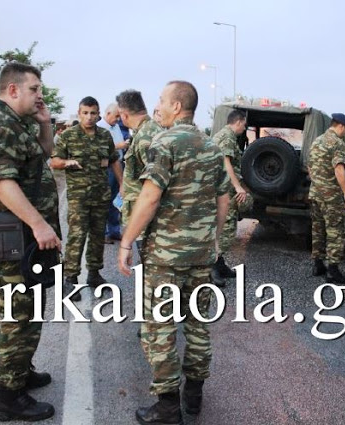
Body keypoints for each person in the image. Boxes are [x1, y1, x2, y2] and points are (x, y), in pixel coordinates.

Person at [117, 81, 230, 423]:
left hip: (166, 258)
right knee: (197, 325)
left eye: (163, 100)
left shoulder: (164, 142)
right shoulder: (211, 147)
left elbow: (150, 197)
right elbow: (223, 198)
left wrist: (126, 242)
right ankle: (193, 397)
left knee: (161, 329)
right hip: (200, 256)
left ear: (178, 106)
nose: (159, 106)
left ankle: (168, 409)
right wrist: (214, 237)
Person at [0, 62, 61, 421]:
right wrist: (40, 225)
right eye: (34, 89)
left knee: (31, 309)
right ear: (13, 90)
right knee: (17, 315)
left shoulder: (17, 123)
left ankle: (20, 372)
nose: (40, 95)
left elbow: (45, 155)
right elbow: (1, 183)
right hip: (16, 235)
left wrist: (43, 124)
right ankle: (8, 397)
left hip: (25, 236)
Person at [50, 96, 123, 300]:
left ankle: (94, 274)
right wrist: (67, 163)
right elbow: (54, 162)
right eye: (85, 113)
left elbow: (114, 161)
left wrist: (122, 184)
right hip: (78, 198)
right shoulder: (68, 136)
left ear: (98, 114)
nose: (89, 117)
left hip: (100, 195)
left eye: (93, 113)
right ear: (79, 113)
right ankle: (70, 279)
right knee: (77, 237)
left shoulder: (104, 136)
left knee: (98, 237)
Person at [308, 113, 345, 284]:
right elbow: (339, 169)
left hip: (315, 194)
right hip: (331, 197)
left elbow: (310, 167)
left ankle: (318, 265)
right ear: (341, 126)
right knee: (336, 232)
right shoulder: (337, 143)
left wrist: (318, 185)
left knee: (318, 230)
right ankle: (333, 271)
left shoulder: (317, 141)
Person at [116, 89, 163, 254]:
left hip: (147, 217)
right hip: (146, 214)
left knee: (150, 267)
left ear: (124, 114)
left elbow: (155, 183)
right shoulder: (149, 130)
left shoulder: (145, 137)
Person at [211, 109, 251, 285]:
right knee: (224, 230)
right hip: (223, 190)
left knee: (225, 228)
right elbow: (226, 162)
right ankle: (211, 269)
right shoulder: (227, 137)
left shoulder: (224, 135)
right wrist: (237, 187)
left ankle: (220, 265)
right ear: (238, 122)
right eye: (244, 124)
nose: (244, 128)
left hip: (222, 189)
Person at [98, 103, 130, 243]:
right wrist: (119, 146)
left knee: (116, 201)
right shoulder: (99, 127)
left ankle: (114, 231)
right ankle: (103, 233)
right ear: (108, 113)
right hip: (106, 168)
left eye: (119, 116)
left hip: (118, 165)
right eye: (116, 116)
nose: (118, 119)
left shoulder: (115, 126)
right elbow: (100, 147)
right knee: (103, 201)